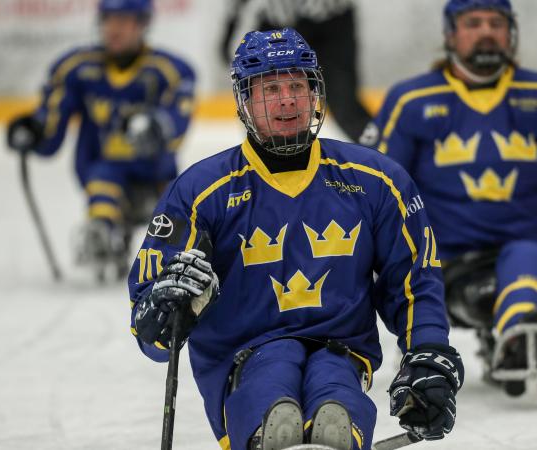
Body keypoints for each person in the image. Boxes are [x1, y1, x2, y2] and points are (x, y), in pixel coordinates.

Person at [129, 28, 463, 450]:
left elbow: (414, 281)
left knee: (334, 390)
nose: (287, 99)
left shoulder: (378, 181)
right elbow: (152, 332)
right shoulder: (201, 192)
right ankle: (270, 425)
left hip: (342, 350)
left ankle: (335, 427)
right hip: (243, 357)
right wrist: (166, 307)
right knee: (273, 372)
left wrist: (427, 352)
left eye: (297, 86)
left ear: (314, 93)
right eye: (270, 89)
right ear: (245, 101)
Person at [364, 0, 537, 396]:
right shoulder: (410, 101)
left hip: (524, 250)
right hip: (437, 262)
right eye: (473, 22)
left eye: (496, 22)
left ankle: (522, 332)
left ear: (511, 32)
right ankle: (426, 341)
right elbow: (372, 192)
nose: (486, 31)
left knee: (527, 261)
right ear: (450, 34)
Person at [6, 0, 195, 279]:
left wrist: (155, 127)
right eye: (108, 20)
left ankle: (180, 246)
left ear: (142, 23)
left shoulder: (170, 70)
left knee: (180, 225)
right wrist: (33, 130)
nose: (114, 29)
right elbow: (51, 127)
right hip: (99, 170)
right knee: (104, 174)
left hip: (153, 175)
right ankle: (101, 228)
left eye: (123, 20)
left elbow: (175, 125)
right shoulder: (76, 68)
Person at [219, 0, 372, 143]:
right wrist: (230, 25)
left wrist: (230, 27)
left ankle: (379, 150)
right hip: (279, 22)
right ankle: (259, 158)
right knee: (262, 100)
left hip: (332, 20)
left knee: (344, 103)